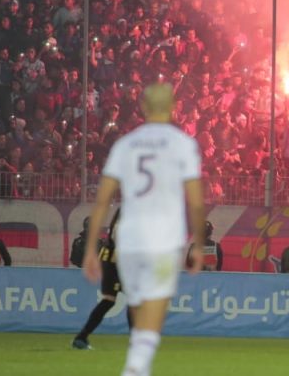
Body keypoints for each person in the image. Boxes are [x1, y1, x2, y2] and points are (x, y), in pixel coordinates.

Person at [82, 83, 204, 376]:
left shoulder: (126, 145)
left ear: (143, 107)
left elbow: (102, 201)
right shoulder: (182, 144)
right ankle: (137, 362)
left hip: (130, 241)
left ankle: (136, 363)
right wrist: (199, 244)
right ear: (172, 107)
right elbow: (196, 201)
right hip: (163, 239)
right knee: (153, 302)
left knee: (135, 301)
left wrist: (90, 250)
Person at [73, 208, 131, 350]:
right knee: (125, 299)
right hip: (113, 262)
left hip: (113, 260)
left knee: (111, 301)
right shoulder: (126, 219)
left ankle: (81, 338)